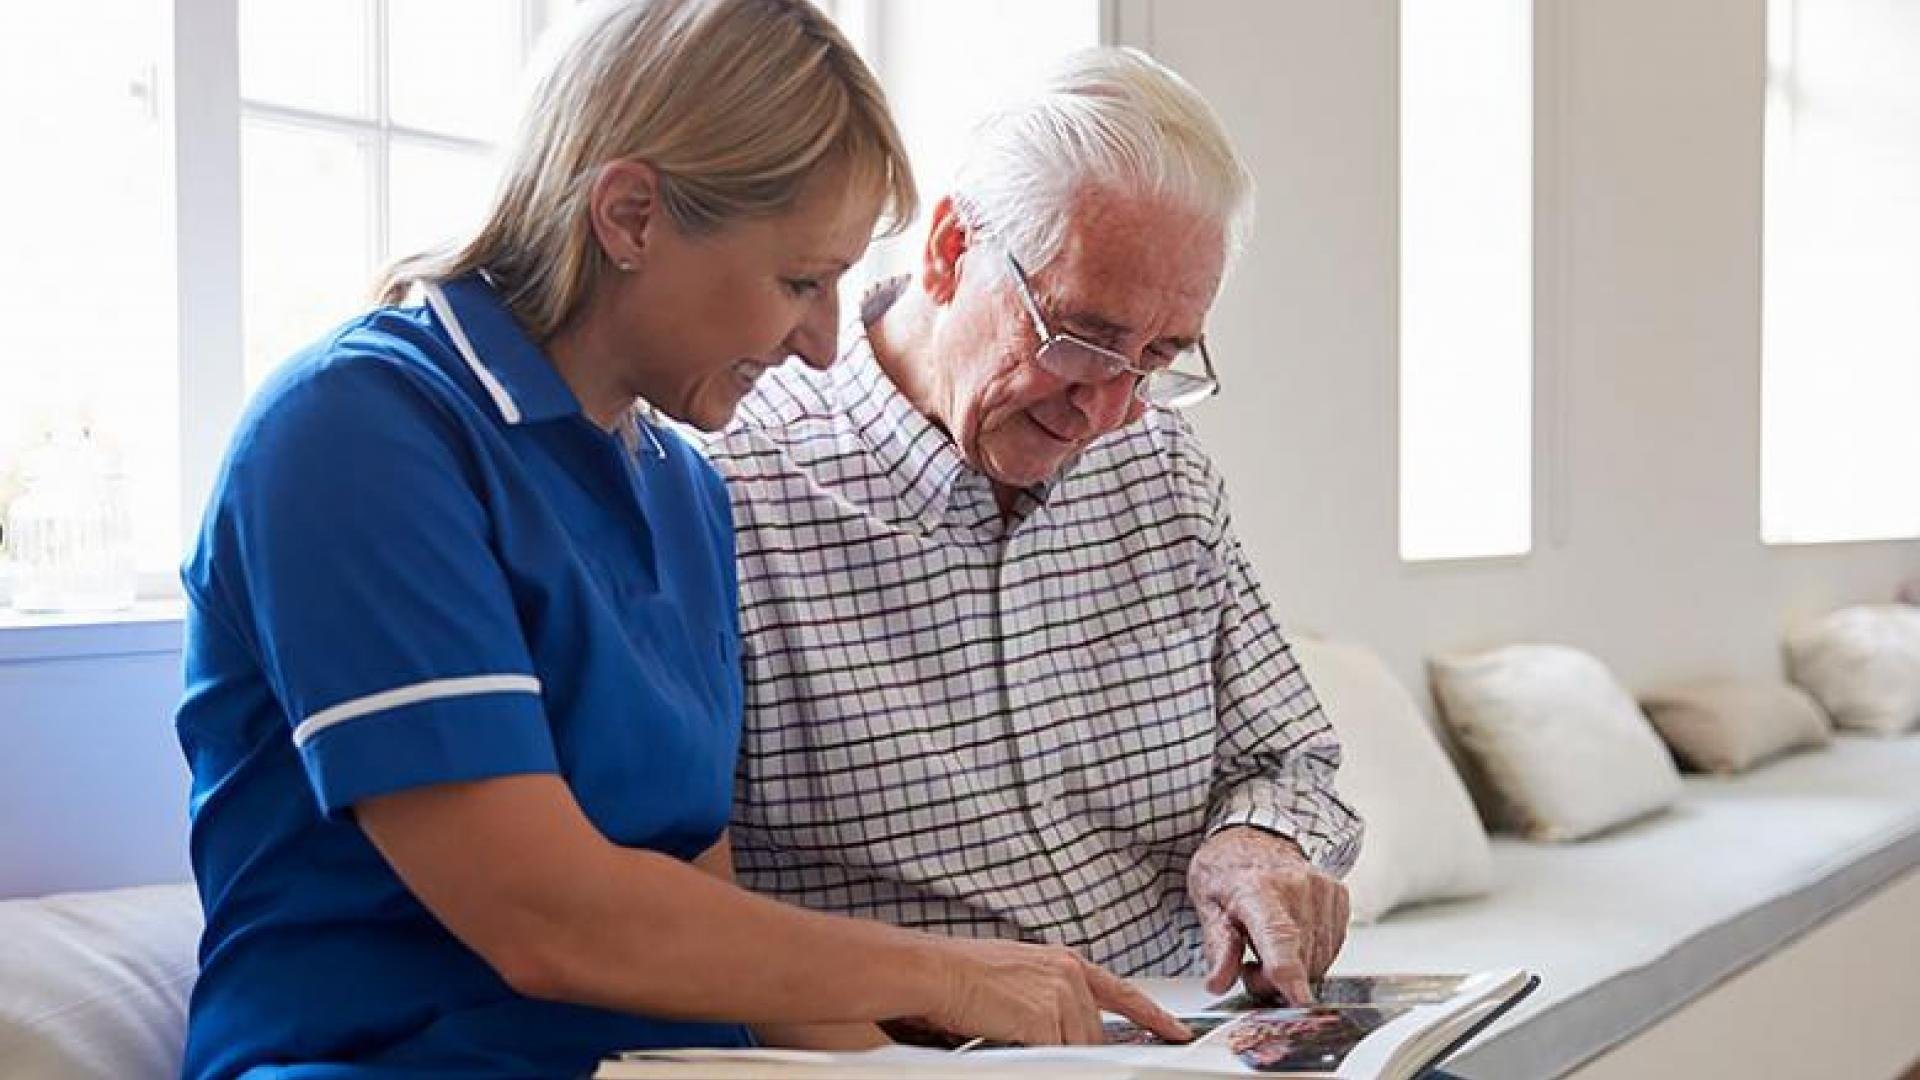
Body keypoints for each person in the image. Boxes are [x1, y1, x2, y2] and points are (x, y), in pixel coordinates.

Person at [174, 4, 1185, 1077]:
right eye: (801, 281)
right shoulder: (358, 432)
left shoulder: (684, 493)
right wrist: (948, 974)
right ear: (631, 216)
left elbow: (714, 937)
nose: (823, 340)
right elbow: (547, 920)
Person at [708, 46, 1363, 1009]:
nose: (1109, 408)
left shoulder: (1164, 473)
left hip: (1187, 1029)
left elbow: (1290, 754)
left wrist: (1256, 843)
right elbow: (675, 900)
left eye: (1159, 356)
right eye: (1084, 336)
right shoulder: (736, 490)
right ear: (948, 252)